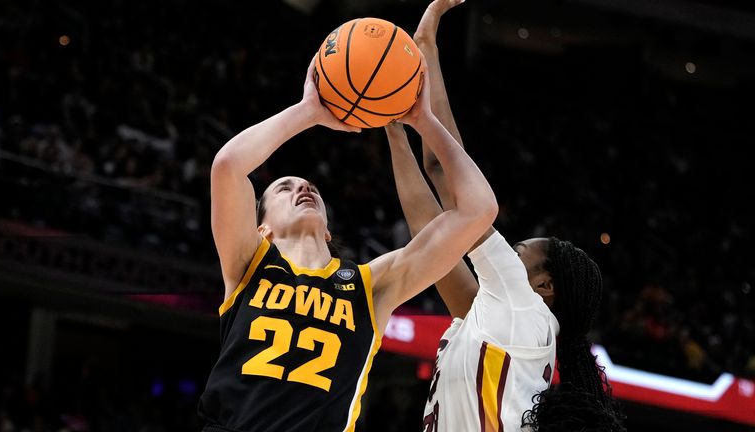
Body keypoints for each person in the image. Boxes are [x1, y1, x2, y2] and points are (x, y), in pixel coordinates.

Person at [197, 53, 498, 432]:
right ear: (263, 229)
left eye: (309, 187)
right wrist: (309, 111)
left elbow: (479, 210)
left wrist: (424, 120)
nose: (303, 187)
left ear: (327, 230)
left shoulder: (370, 286)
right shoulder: (248, 264)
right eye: (284, 189)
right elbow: (227, 166)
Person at [385, 0, 626, 431]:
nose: (508, 249)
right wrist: (394, 128)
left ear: (544, 285)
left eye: (518, 251)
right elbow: (431, 234)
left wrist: (418, 96)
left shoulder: (521, 309)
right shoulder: (507, 322)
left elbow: (448, 181)